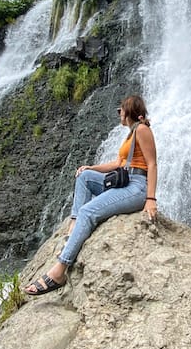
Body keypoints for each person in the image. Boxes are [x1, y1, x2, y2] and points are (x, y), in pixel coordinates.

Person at [25, 95, 158, 295]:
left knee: (88, 211)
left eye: (119, 110)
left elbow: (152, 164)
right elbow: (117, 164)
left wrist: (150, 199)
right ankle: (73, 227)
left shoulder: (142, 129)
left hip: (136, 187)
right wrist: (91, 167)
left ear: (129, 110)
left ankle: (60, 271)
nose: (118, 114)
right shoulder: (131, 134)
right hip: (125, 181)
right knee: (85, 177)